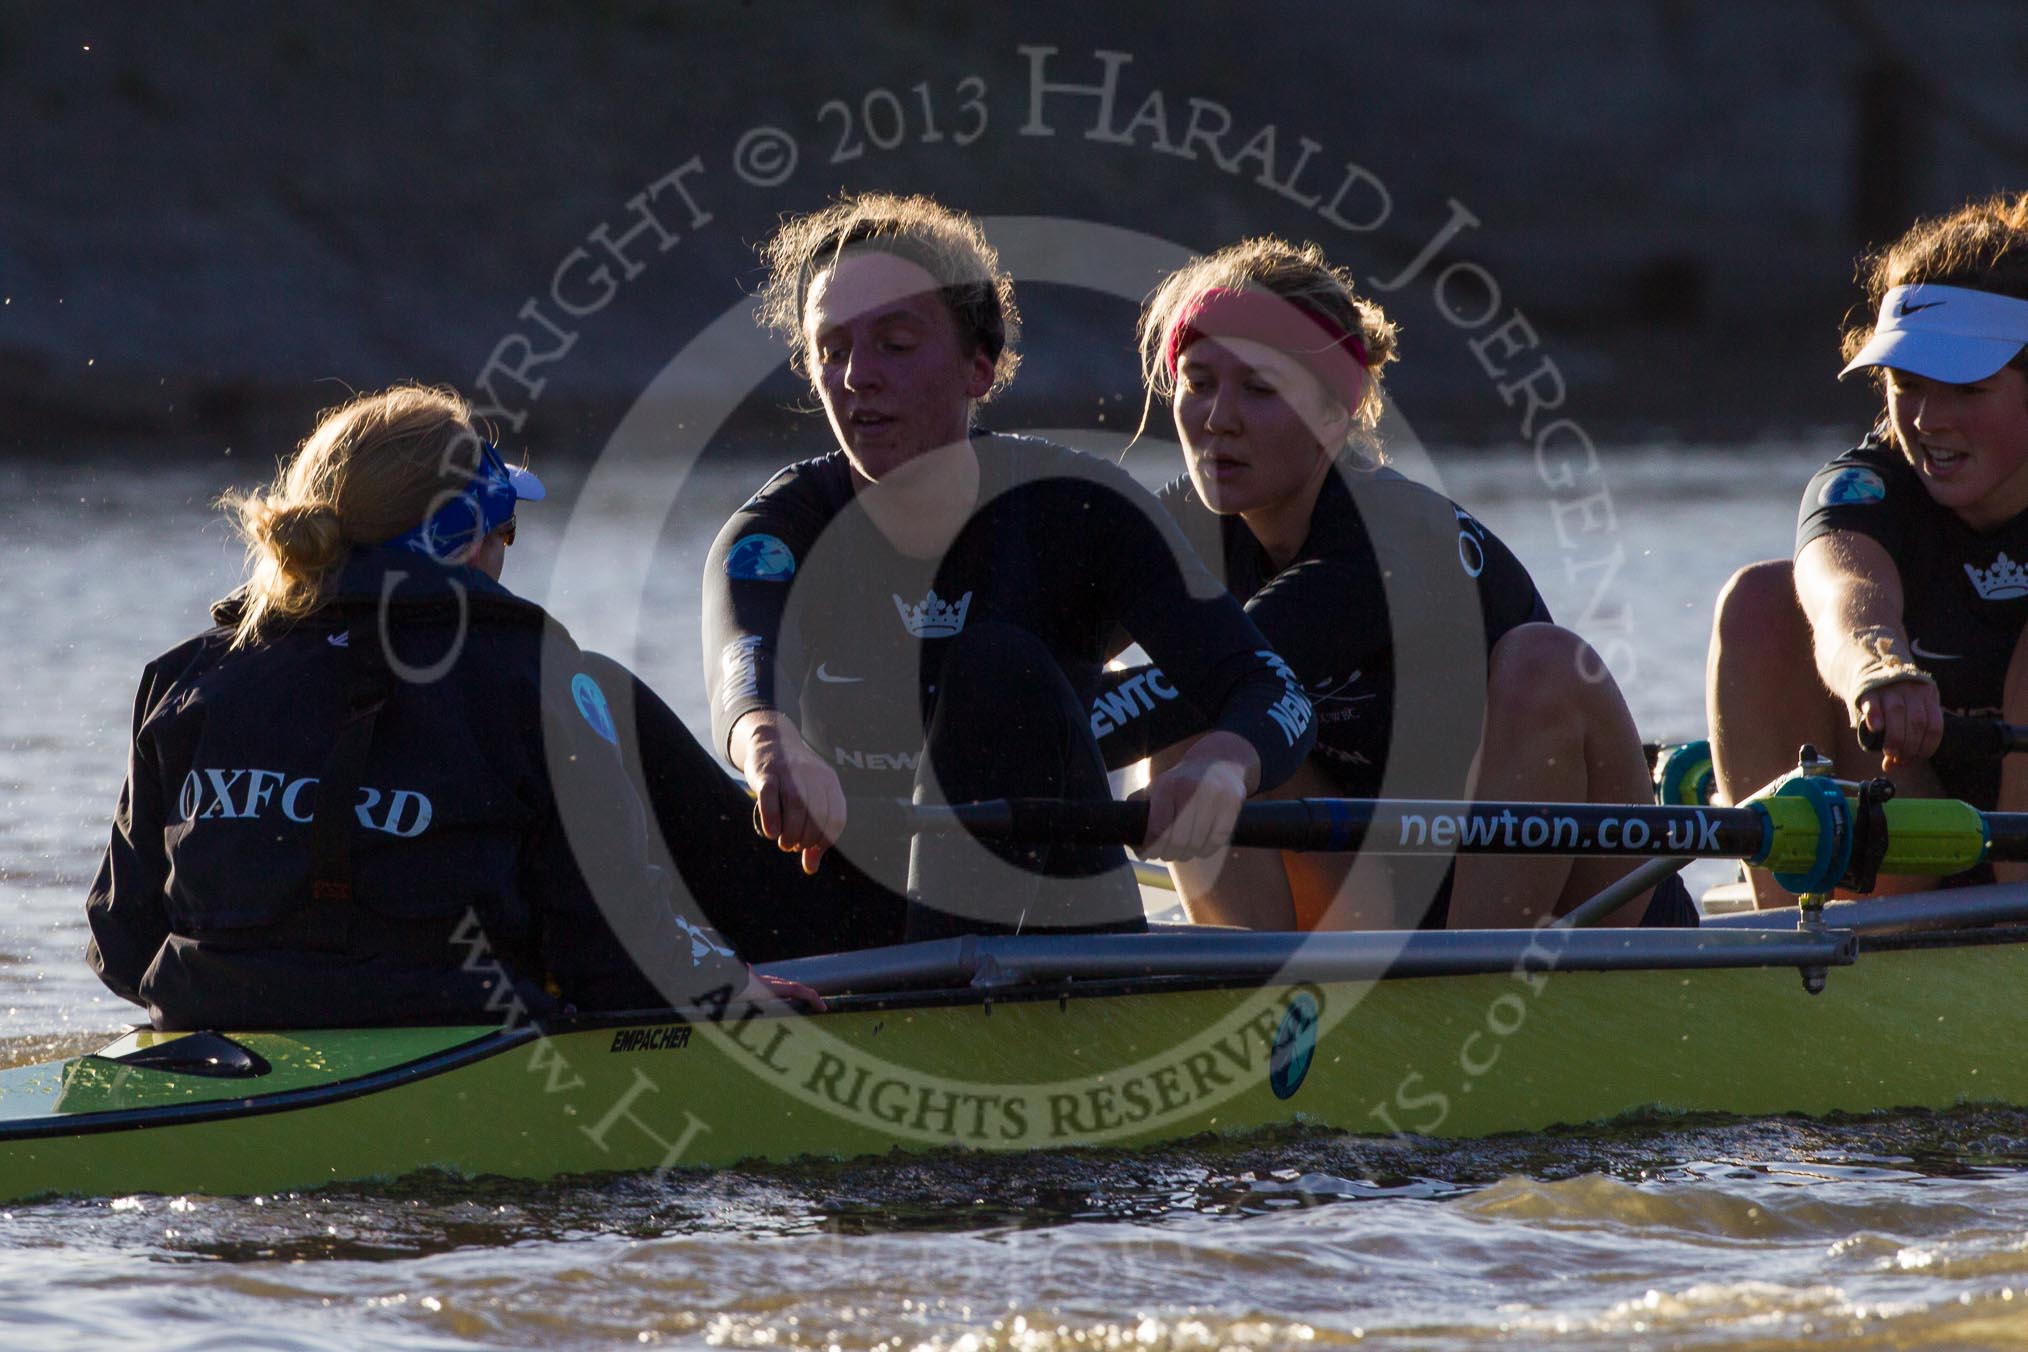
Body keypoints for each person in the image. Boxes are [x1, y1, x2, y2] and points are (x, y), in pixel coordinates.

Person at [85, 384, 806, 1029]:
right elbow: (611, 955)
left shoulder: (187, 676)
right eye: (504, 529)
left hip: (212, 1028)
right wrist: (723, 986)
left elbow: (119, 942)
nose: (506, 553)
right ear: (458, 536)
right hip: (459, 1043)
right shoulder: (536, 676)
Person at [701, 193, 1317, 947]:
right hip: (851, 913)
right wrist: (769, 744)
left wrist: (1224, 765)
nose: (858, 375)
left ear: (979, 368)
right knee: (587, 688)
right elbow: (743, 674)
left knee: (994, 665)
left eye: (895, 343)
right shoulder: (783, 529)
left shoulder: (1079, 510)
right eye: (831, 349)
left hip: (1053, 933)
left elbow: (1270, 687)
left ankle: (946, 1018)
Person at [1095, 237, 1695, 931]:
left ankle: (1471, 995)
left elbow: (1174, 689)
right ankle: (1256, 1009)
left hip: (1576, 896)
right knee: (1186, 730)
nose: (1216, 418)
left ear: (1332, 415)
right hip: (1388, 889)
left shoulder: (1392, 541)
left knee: (1546, 661)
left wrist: (1026, 739)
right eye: (1199, 382)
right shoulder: (1183, 525)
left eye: (1259, 388)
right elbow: (1048, 630)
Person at [1708, 191, 2028, 906]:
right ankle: (1797, 933)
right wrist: (1879, 668)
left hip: (2014, 872)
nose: (1927, 420)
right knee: (1763, 601)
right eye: (1906, 384)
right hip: (1912, 845)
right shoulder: (1863, 487)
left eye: (1968, 390)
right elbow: (1846, 596)